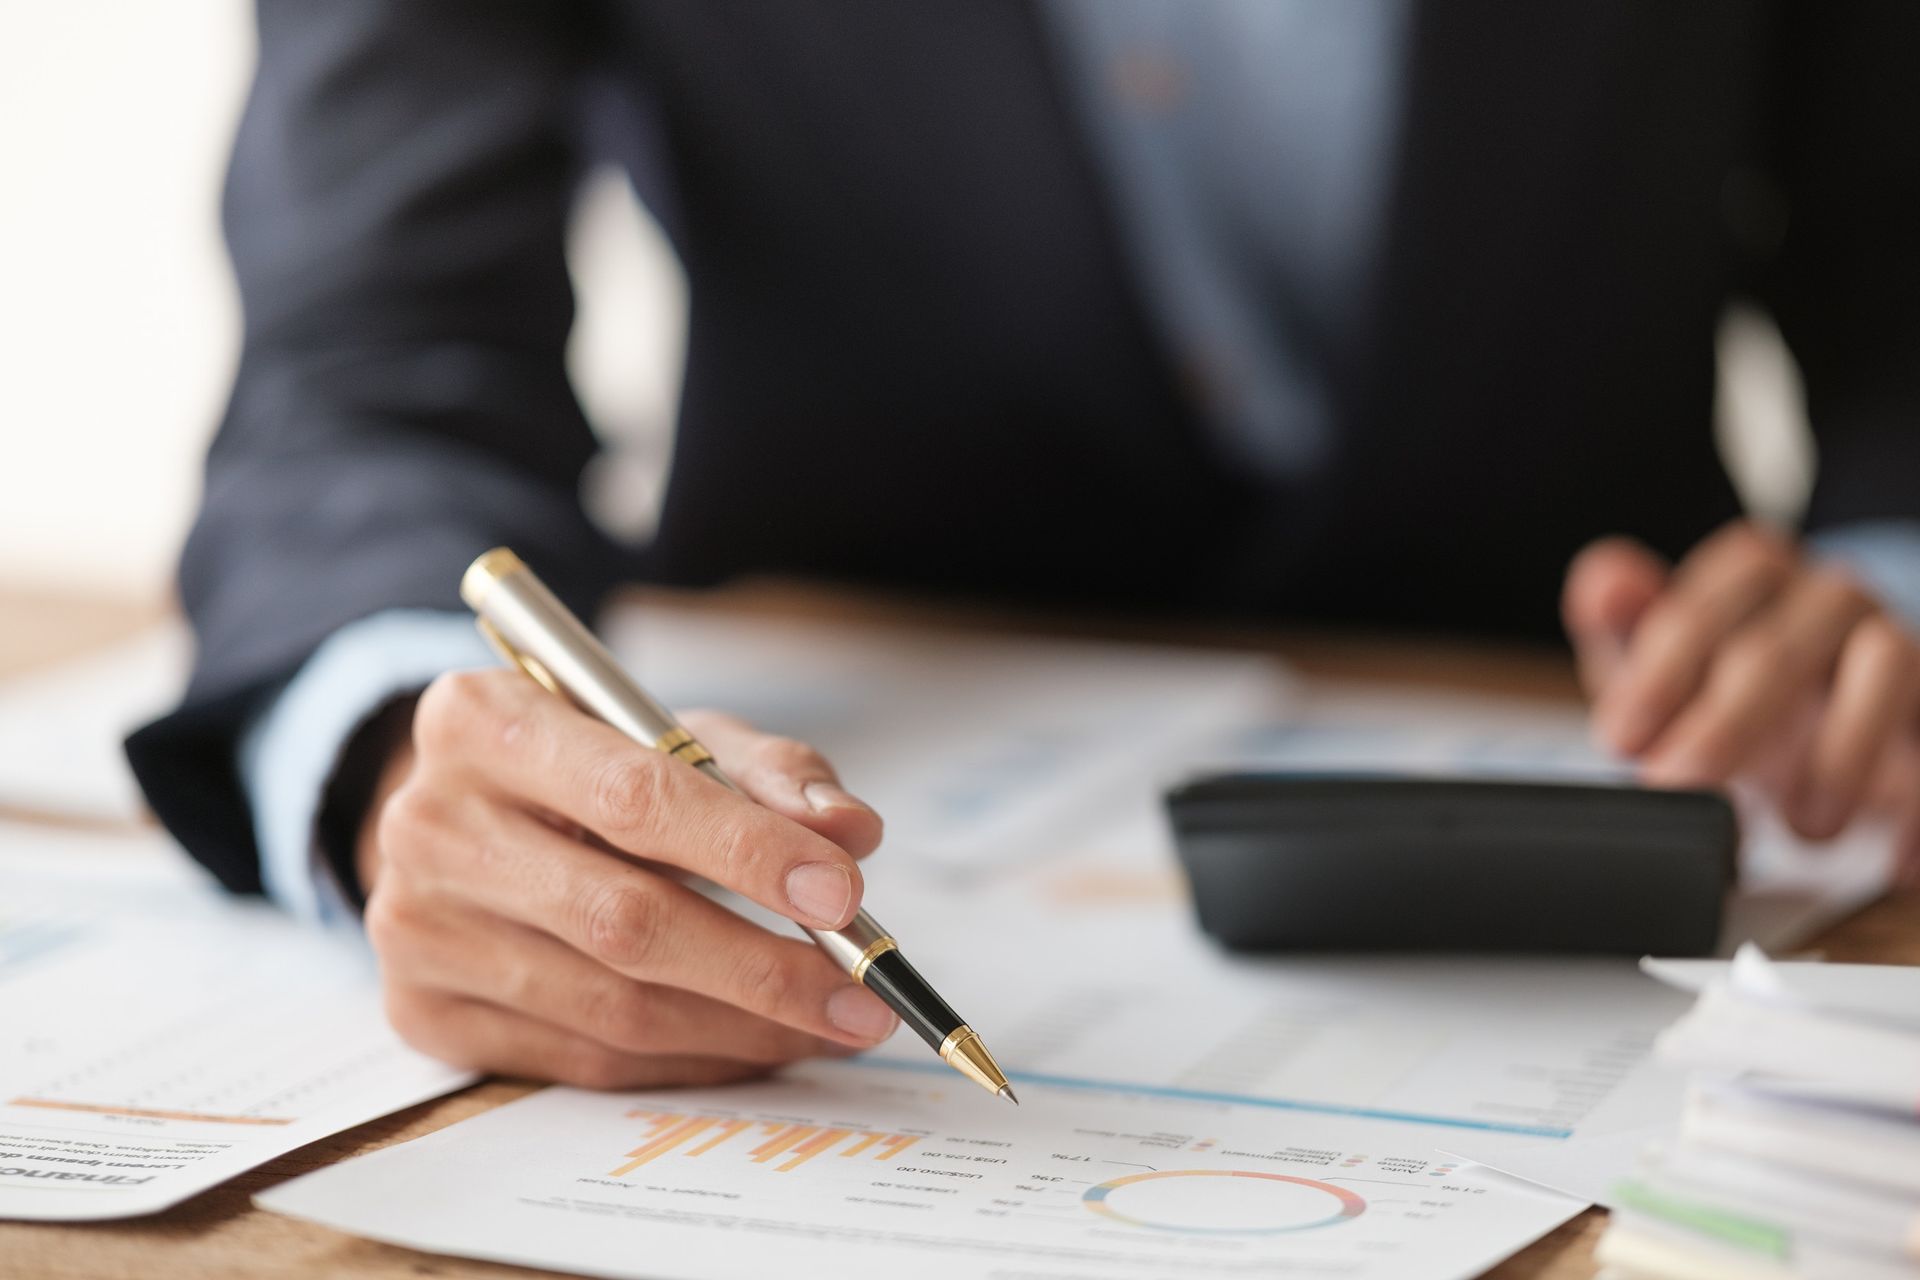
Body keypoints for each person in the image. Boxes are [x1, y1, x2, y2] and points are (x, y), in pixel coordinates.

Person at [131, 2, 1920, 1090]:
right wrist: (397, 758)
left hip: (1695, 799)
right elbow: (370, 364)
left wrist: (1896, 585)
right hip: (860, 720)